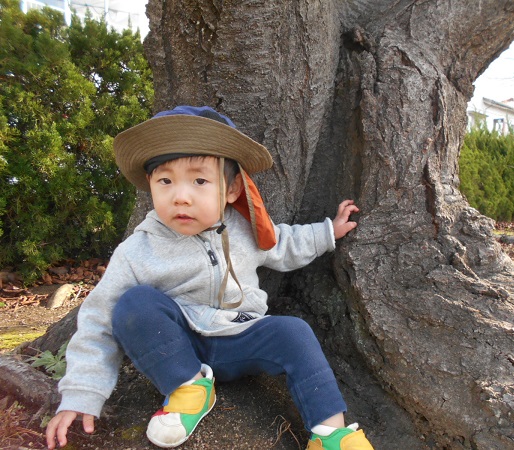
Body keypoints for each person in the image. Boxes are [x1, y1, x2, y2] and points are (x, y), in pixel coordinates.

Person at [45, 106, 375, 450]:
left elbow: (285, 244)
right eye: (165, 181)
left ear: (231, 189)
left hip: (243, 335)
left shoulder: (248, 228)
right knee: (133, 304)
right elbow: (99, 318)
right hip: (181, 346)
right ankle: (189, 390)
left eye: (199, 181)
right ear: (150, 186)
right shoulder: (138, 250)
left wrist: (328, 232)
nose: (180, 196)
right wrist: (82, 392)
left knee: (295, 331)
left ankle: (331, 433)